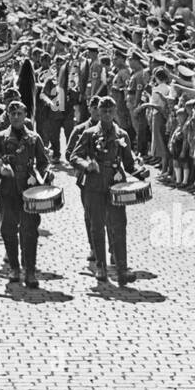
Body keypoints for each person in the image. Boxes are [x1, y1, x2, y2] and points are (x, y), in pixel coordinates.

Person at [0, 99, 51, 288]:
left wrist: (46, 174)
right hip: (7, 190)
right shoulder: (0, 137)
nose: (16, 117)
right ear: (8, 116)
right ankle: (14, 267)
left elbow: (44, 162)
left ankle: (30, 271)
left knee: (30, 231)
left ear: (25, 115)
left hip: (29, 191)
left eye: (20, 113)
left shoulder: (34, 138)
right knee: (8, 229)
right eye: (13, 114)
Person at [68, 95, 137, 286]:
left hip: (115, 184)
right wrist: (86, 165)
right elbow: (74, 156)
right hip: (94, 184)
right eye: (103, 110)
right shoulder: (89, 134)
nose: (106, 114)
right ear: (98, 111)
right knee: (97, 225)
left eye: (110, 111)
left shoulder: (122, 135)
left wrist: (140, 172)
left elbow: (129, 164)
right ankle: (101, 266)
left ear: (115, 112)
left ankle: (122, 269)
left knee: (119, 225)